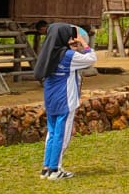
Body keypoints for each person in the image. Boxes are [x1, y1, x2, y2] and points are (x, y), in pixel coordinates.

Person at [36, 23, 97, 180]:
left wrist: (73, 48)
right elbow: (91, 59)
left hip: (51, 99)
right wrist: (84, 44)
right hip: (65, 100)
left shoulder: (48, 53)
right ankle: (56, 170)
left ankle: (46, 168)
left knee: (52, 133)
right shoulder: (68, 56)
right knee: (61, 135)